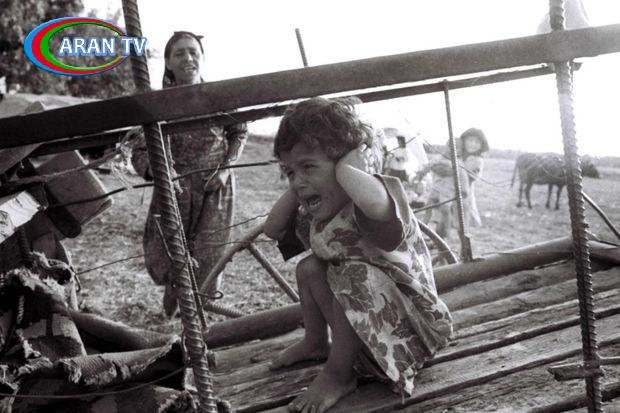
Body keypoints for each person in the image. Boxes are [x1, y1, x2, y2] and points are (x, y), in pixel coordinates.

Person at [264, 97, 452, 412]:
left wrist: (346, 167)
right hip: (364, 332)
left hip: (408, 331)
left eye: (308, 166)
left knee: (355, 275)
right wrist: (299, 183)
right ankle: (316, 341)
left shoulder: (373, 196)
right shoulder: (322, 212)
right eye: (289, 171)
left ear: (348, 165)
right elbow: (272, 229)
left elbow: (375, 204)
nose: (297, 181)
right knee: (309, 268)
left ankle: (338, 376)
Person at [131, 31, 248, 316]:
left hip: (214, 188)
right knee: (169, 255)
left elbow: (239, 132)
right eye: (180, 53)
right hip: (173, 190)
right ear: (168, 62)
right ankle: (173, 307)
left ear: (202, 58)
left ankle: (200, 314)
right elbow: (138, 150)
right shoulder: (157, 104)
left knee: (210, 255)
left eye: (194, 52)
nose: (188, 58)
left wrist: (225, 170)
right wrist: (160, 173)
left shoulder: (218, 97)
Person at [459, 127, 489, 227]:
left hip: (465, 191)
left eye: (477, 142)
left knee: (463, 216)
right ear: (463, 141)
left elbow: (469, 177)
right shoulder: (458, 155)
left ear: (482, 145)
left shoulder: (477, 160)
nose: (473, 144)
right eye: (470, 140)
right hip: (449, 189)